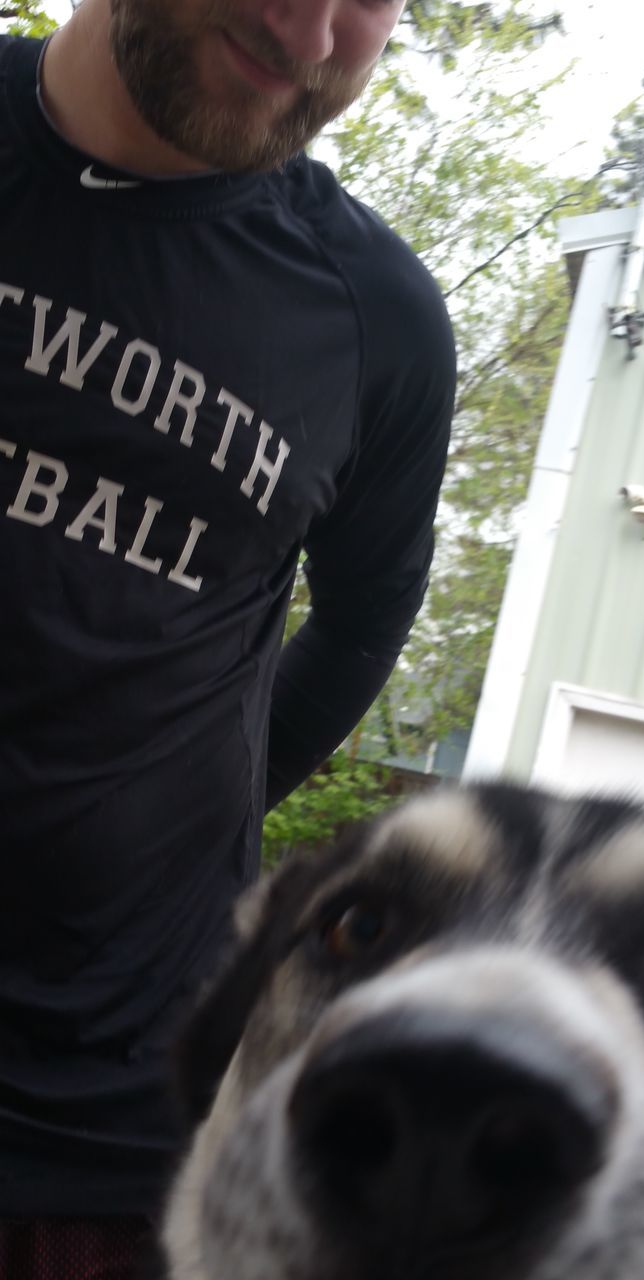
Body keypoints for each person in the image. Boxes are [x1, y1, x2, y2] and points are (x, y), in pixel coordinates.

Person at [0, 0, 456, 1272]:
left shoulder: (378, 321)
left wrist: (187, 816)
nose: (314, 33)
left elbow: (370, 616)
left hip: (92, 1124)